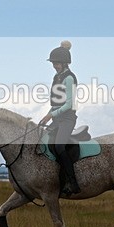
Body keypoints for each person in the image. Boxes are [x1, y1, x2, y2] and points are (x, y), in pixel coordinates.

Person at [39, 40, 80, 196]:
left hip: (68, 119)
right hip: (56, 118)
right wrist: (47, 116)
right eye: (53, 63)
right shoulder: (57, 77)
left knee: (59, 146)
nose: (54, 65)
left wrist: (51, 114)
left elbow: (69, 104)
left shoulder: (69, 78)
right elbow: (56, 103)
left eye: (56, 63)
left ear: (64, 63)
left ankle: (72, 182)